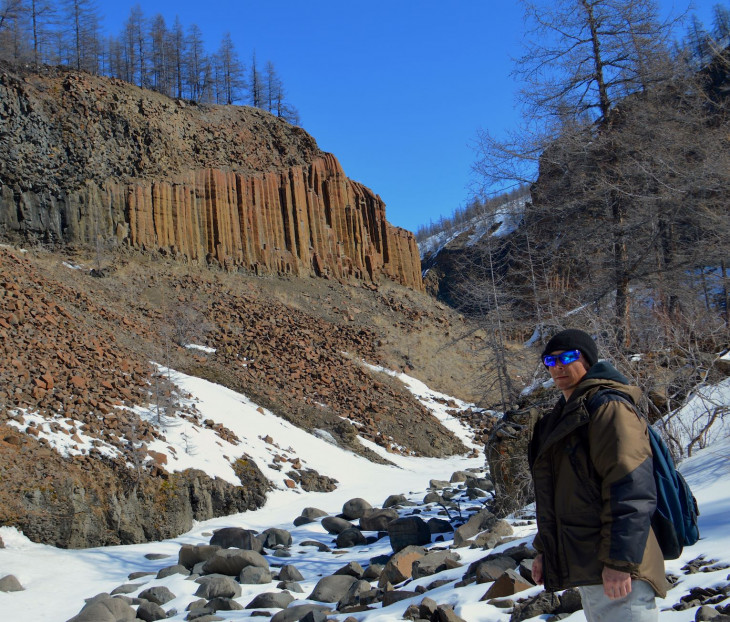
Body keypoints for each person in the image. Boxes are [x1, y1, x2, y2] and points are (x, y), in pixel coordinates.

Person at [527, 329, 667, 621]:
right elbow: (561, 496)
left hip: (618, 569)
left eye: (567, 357)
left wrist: (620, 560)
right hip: (591, 565)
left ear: (588, 360)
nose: (558, 366)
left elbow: (631, 488)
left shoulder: (608, 408)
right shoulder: (564, 416)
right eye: (549, 361)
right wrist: (544, 550)